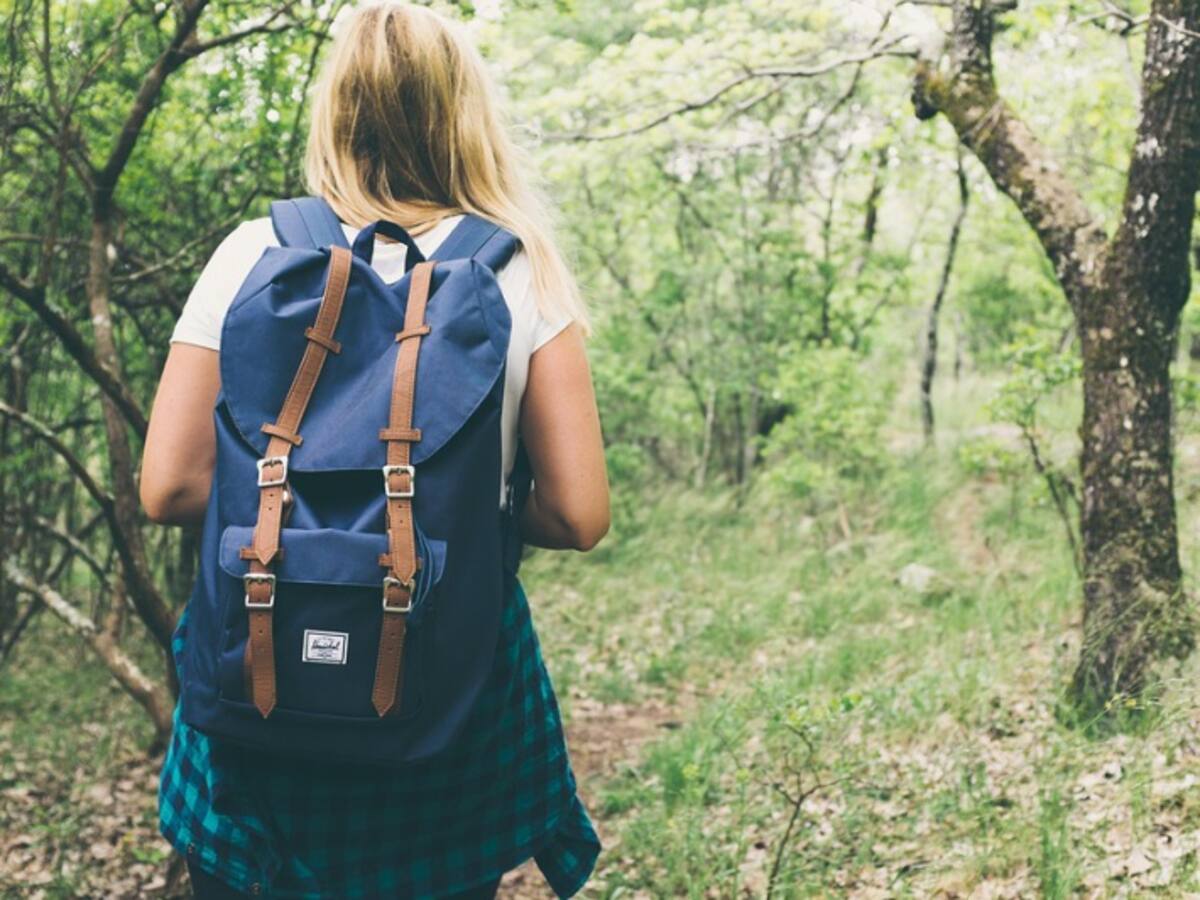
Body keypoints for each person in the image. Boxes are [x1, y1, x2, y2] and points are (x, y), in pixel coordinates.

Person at [139, 2, 610, 897]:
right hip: (444, 692)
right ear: (463, 113)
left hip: (261, 678)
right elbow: (579, 514)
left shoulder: (249, 255)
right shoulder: (520, 272)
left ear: (336, 110)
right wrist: (461, 509)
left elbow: (167, 487)